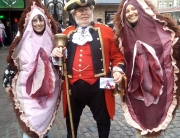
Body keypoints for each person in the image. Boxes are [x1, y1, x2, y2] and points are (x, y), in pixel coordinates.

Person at [51, 0, 125, 138]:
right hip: (72, 86)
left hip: (99, 86)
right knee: (72, 120)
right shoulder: (66, 33)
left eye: (87, 9)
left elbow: (117, 56)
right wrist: (56, 55)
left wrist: (117, 70)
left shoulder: (106, 31)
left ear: (91, 10)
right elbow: (59, 61)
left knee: (103, 120)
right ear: (74, 14)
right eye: (80, 10)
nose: (84, 13)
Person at [113, 0, 180, 137]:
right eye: (127, 11)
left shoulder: (162, 30)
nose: (131, 13)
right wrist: (117, 71)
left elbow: (171, 47)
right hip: (136, 87)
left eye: (134, 9)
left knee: (156, 119)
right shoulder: (122, 37)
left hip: (160, 85)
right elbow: (121, 58)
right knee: (141, 120)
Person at [2, 0, 61, 138]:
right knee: (30, 124)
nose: (38, 23)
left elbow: (57, 63)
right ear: (29, 22)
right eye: (35, 20)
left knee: (44, 121)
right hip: (27, 90)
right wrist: (7, 81)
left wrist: (57, 55)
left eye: (41, 20)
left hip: (48, 88)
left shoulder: (52, 39)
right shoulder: (22, 39)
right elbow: (12, 61)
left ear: (46, 22)